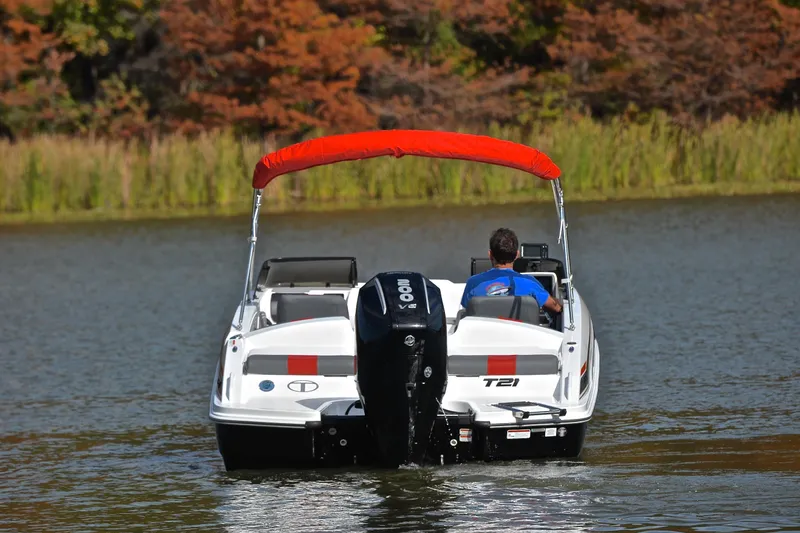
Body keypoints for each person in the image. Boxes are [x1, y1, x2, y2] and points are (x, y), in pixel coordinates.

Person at [460, 227, 563, 314]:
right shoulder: (530, 283)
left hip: (485, 336)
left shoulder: (473, 283)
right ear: (517, 255)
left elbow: (466, 311)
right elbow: (556, 308)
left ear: (490, 255)